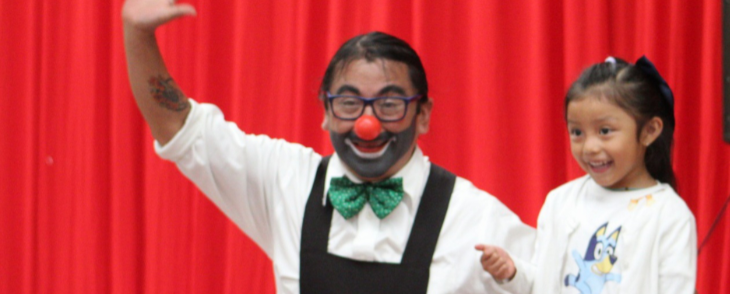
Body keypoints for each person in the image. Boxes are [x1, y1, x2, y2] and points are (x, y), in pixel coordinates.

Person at [121, 1, 535, 293]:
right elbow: (179, 125)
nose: (367, 125)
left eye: (389, 104)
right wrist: (137, 34)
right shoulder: (287, 182)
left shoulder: (473, 217)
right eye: (349, 103)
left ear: (423, 114)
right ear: (325, 110)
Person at [476, 56, 697, 294]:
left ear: (649, 131)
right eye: (577, 132)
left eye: (605, 131)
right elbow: (544, 282)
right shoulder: (560, 201)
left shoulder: (669, 214)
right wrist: (513, 272)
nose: (589, 147)